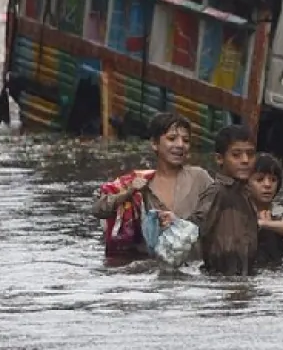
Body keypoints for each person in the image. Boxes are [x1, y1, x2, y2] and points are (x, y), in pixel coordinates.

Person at [91, 112, 213, 258]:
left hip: (193, 268)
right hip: (151, 270)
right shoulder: (138, 184)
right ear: (154, 144)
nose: (180, 145)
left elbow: (219, 213)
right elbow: (99, 210)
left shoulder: (199, 178)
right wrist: (128, 193)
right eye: (172, 139)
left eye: (186, 140)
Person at [169, 124, 259, 276]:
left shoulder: (245, 194)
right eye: (236, 155)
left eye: (250, 154)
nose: (245, 160)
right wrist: (176, 222)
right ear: (219, 159)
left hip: (241, 276)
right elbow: (194, 225)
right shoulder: (217, 192)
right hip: (220, 280)